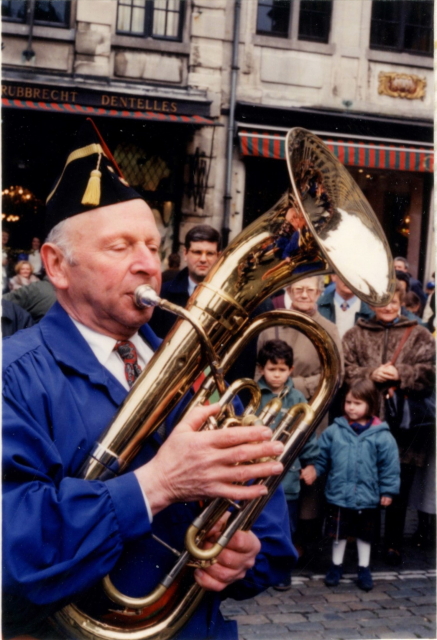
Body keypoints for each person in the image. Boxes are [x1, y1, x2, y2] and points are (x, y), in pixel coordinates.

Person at [3, 120, 295, 640]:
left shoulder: (197, 373)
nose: (148, 266)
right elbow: (10, 554)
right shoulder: (13, 375)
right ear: (57, 266)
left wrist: (245, 555)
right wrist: (156, 485)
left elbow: (267, 534)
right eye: (120, 248)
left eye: (153, 247)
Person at [342, 281, 436, 566]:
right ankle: (362, 546)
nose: (389, 307)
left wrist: (399, 373)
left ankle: (393, 543)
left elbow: (429, 374)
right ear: (371, 303)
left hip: (403, 428)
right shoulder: (355, 334)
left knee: (399, 486)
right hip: (364, 424)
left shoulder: (419, 334)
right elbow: (344, 370)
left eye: (394, 302)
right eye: (383, 302)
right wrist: (372, 373)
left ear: (402, 303)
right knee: (363, 483)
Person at [257, 276, 344, 552]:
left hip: (311, 410)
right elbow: (259, 369)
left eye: (310, 289)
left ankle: (303, 542)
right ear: (289, 291)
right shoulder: (273, 325)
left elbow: (336, 376)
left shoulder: (329, 328)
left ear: (320, 292)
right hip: (273, 410)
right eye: (298, 289)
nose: (304, 294)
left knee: (308, 476)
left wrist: (298, 385)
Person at [314, 379, 400, 592]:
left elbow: (389, 466)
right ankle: (336, 565)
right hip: (339, 494)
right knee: (338, 534)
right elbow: (321, 456)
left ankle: (364, 567)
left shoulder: (382, 436)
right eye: (348, 402)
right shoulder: (335, 431)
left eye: (358, 403)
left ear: (371, 405)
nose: (351, 407)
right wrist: (314, 469)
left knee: (365, 534)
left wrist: (388, 490)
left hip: (367, 496)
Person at [257, 339, 319, 591]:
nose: (276, 375)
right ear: (262, 369)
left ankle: (282, 571)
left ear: (291, 370)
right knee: (258, 521)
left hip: (289, 476)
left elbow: (307, 434)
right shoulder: (255, 393)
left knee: (286, 525)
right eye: (272, 369)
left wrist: (311, 463)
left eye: (282, 370)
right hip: (258, 474)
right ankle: (257, 569)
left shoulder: (296, 397)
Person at [149, 224, 221, 338]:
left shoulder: (229, 296)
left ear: (218, 256)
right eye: (197, 252)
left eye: (210, 253)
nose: (203, 259)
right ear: (185, 254)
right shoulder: (162, 294)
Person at [317, 274, 374, 340]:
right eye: (344, 274)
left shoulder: (372, 312)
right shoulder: (317, 307)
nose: (349, 280)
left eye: (354, 275)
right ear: (333, 276)